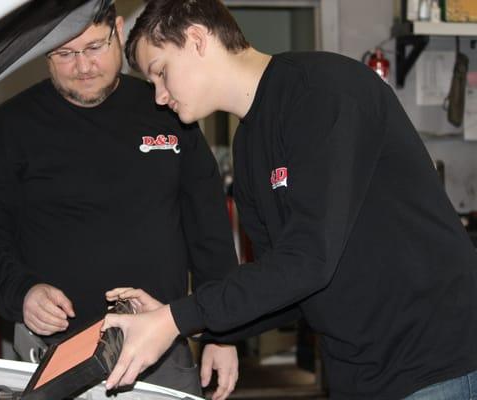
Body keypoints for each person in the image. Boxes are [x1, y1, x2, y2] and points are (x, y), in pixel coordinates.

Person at [102, 0, 477, 398]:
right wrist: (186, 319)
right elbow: (286, 288)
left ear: (196, 39)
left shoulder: (323, 91)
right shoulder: (247, 147)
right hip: (359, 371)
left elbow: (309, 259)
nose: (159, 96)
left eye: (161, 72)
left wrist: (178, 318)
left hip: (434, 360)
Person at [0, 4, 240, 399]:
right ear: (43, 52)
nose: (83, 66)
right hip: (52, 353)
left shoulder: (169, 109)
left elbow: (210, 233)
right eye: (65, 53)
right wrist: (21, 293)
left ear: (118, 31)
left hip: (159, 346)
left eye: (94, 47)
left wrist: (223, 333)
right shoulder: (8, 129)